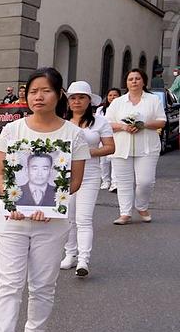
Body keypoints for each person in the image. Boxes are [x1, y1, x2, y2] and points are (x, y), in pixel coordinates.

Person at [0, 68, 89, 332]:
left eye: (45, 90)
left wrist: (48, 204)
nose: (38, 96)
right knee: (8, 283)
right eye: (32, 91)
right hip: (11, 219)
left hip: (51, 222)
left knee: (42, 284)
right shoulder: (13, 130)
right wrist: (13, 200)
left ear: (59, 95)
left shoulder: (73, 134)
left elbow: (75, 181)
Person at [60, 81, 115, 277]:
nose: (77, 101)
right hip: (65, 175)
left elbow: (110, 147)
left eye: (81, 97)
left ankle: (83, 259)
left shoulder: (100, 122)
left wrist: (88, 152)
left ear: (89, 100)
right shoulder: (61, 121)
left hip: (90, 173)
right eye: (73, 98)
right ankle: (70, 254)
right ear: (68, 101)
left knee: (83, 218)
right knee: (67, 218)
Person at [105, 68, 166, 225]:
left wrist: (143, 125)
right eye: (130, 79)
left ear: (143, 81)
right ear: (126, 83)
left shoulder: (153, 100)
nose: (134, 81)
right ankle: (125, 213)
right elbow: (106, 124)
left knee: (145, 181)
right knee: (123, 182)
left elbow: (161, 121)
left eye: (137, 78)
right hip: (121, 147)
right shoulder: (118, 102)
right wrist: (123, 127)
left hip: (147, 148)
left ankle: (142, 206)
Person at [96, 88, 121, 190]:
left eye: (115, 95)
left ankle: (115, 183)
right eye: (110, 95)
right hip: (103, 137)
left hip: (117, 136)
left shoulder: (122, 108)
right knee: (103, 161)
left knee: (115, 160)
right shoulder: (100, 110)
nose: (112, 97)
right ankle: (105, 181)